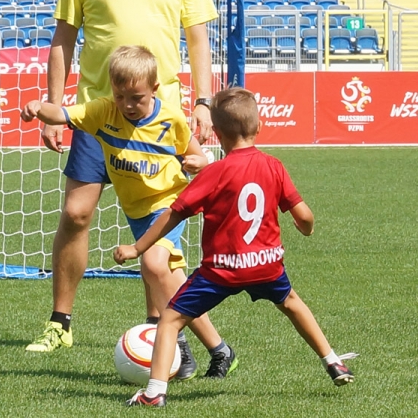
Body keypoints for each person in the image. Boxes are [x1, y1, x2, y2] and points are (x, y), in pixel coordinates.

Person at [26, 0, 218, 376]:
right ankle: (59, 322)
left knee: (154, 232)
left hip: (159, 120)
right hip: (97, 116)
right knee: (78, 211)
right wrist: (53, 109)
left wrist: (203, 102)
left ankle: (162, 332)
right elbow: (63, 40)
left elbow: (198, 39)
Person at [114, 88, 355, 407]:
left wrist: (137, 248)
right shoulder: (273, 166)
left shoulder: (214, 173)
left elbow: (174, 213)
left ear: (216, 133)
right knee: (292, 303)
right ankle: (332, 361)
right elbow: (304, 215)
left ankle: (154, 392)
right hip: (266, 265)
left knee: (170, 318)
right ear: (259, 127)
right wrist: (305, 227)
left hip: (222, 270)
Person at [22, 46, 236, 379]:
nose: (128, 105)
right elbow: (62, 115)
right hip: (136, 212)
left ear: (154, 89)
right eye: (120, 97)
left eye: (136, 97)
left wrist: (201, 163)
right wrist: (38, 108)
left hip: (169, 205)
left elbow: (198, 156)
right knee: (171, 282)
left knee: (153, 265)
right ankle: (219, 350)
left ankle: (181, 342)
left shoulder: (170, 120)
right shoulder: (103, 112)